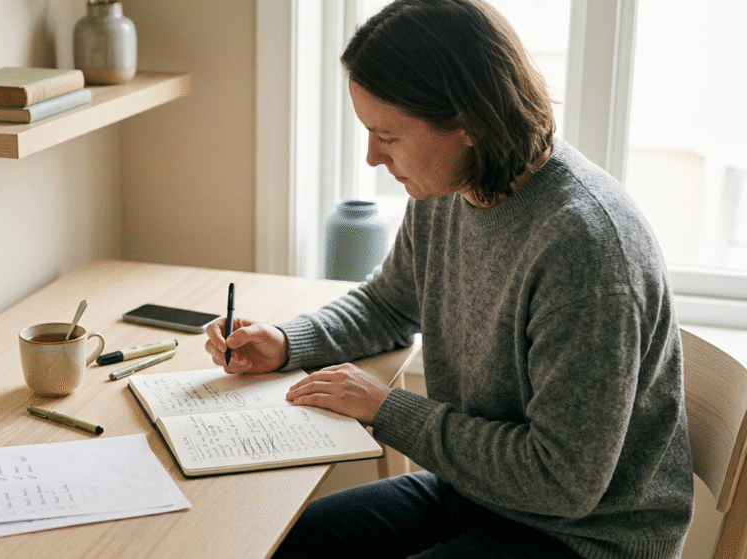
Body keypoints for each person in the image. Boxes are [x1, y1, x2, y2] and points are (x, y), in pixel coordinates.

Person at [203, 1, 694, 557]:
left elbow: (563, 481)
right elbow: (389, 306)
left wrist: (384, 408)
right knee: (299, 540)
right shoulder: (450, 189)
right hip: (482, 496)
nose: (370, 157)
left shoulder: (584, 250)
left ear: (468, 124)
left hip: (582, 538)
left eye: (387, 136)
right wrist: (288, 342)